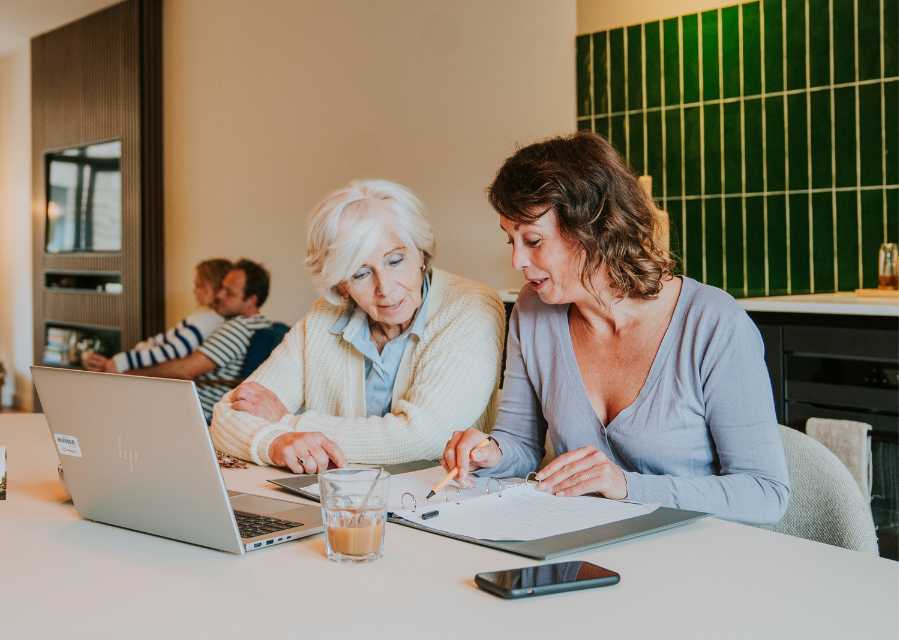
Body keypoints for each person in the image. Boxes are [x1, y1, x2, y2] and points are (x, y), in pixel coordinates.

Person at [442, 132, 790, 525]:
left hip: (702, 557)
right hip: (594, 551)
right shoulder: (532, 311)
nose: (518, 260)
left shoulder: (712, 323)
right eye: (511, 241)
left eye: (534, 240)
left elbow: (765, 494)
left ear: (593, 229)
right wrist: (489, 451)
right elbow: (522, 445)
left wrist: (626, 487)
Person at [210, 179, 505, 473]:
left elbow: (426, 436)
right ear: (341, 285)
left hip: (437, 503)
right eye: (361, 273)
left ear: (421, 254)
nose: (385, 288)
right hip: (338, 501)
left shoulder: (470, 306)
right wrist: (272, 443)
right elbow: (227, 413)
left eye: (395, 260)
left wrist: (287, 422)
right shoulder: (322, 318)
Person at [116, 259, 274, 422]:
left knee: (118, 401)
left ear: (252, 300)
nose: (219, 295)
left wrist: (128, 374)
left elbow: (184, 370)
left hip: (196, 412)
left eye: (229, 293)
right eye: (221, 288)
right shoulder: (263, 324)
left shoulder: (239, 327)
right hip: (191, 404)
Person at [84, 259, 231, 374]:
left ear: (217, 288)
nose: (195, 290)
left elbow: (172, 351)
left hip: (135, 364)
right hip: (137, 358)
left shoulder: (208, 321)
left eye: (200, 285)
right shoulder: (204, 317)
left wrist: (121, 362)